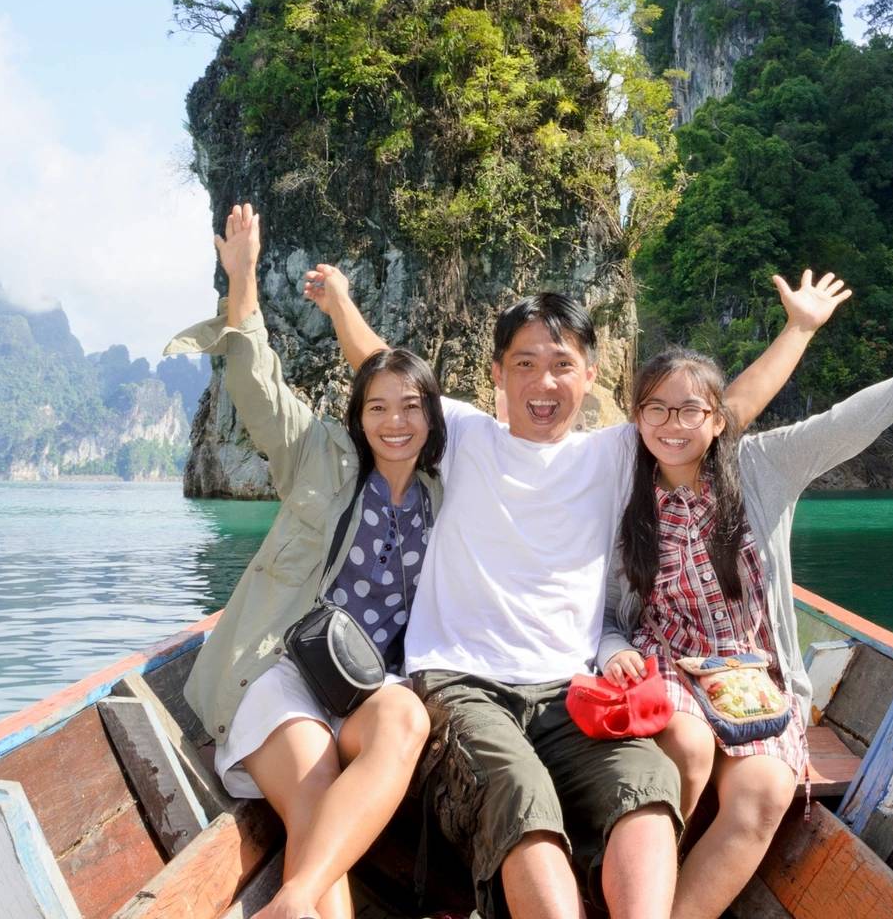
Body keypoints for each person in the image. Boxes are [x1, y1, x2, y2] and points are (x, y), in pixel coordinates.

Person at [307, 265, 852, 919]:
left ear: (589, 376)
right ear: (497, 374)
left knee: (648, 786)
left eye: (562, 364)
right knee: (518, 793)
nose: (544, 383)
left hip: (572, 689)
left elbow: (723, 412)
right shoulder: (463, 438)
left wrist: (798, 329)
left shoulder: (616, 453)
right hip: (457, 679)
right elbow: (380, 368)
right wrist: (341, 303)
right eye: (526, 363)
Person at [597, 321, 893, 919]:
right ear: (636, 417)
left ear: (717, 419)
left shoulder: (762, 468)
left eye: (689, 410)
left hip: (756, 675)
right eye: (655, 409)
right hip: (664, 662)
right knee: (684, 746)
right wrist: (610, 653)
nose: (671, 425)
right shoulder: (618, 491)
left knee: (765, 794)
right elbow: (604, 614)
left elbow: (850, 421)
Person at [161, 204, 446, 919]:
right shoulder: (316, 453)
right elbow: (255, 381)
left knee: (406, 721)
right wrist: (243, 276)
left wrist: (345, 304)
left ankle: (289, 901)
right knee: (316, 788)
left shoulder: (449, 491)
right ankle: (298, 902)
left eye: (411, 407)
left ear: (432, 416)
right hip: (280, 669)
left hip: (365, 682)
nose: (395, 422)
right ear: (358, 414)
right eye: (377, 407)